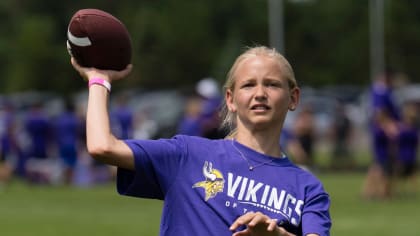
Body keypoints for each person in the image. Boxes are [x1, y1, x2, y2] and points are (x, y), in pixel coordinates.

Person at [71, 45, 331, 236]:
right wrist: (98, 80)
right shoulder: (187, 154)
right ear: (230, 99)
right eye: (248, 85)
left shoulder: (307, 187)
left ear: (293, 98)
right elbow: (101, 146)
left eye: (272, 85)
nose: (260, 93)